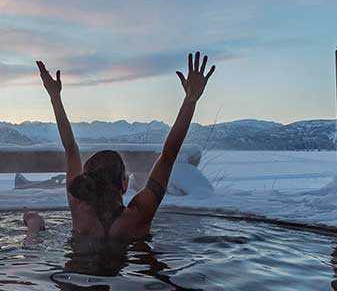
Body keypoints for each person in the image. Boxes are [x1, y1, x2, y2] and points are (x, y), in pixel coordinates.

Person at [37, 51, 215, 242]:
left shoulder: (79, 209)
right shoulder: (139, 214)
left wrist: (55, 97)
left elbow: (71, 149)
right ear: (124, 184)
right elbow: (169, 155)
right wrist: (191, 99)